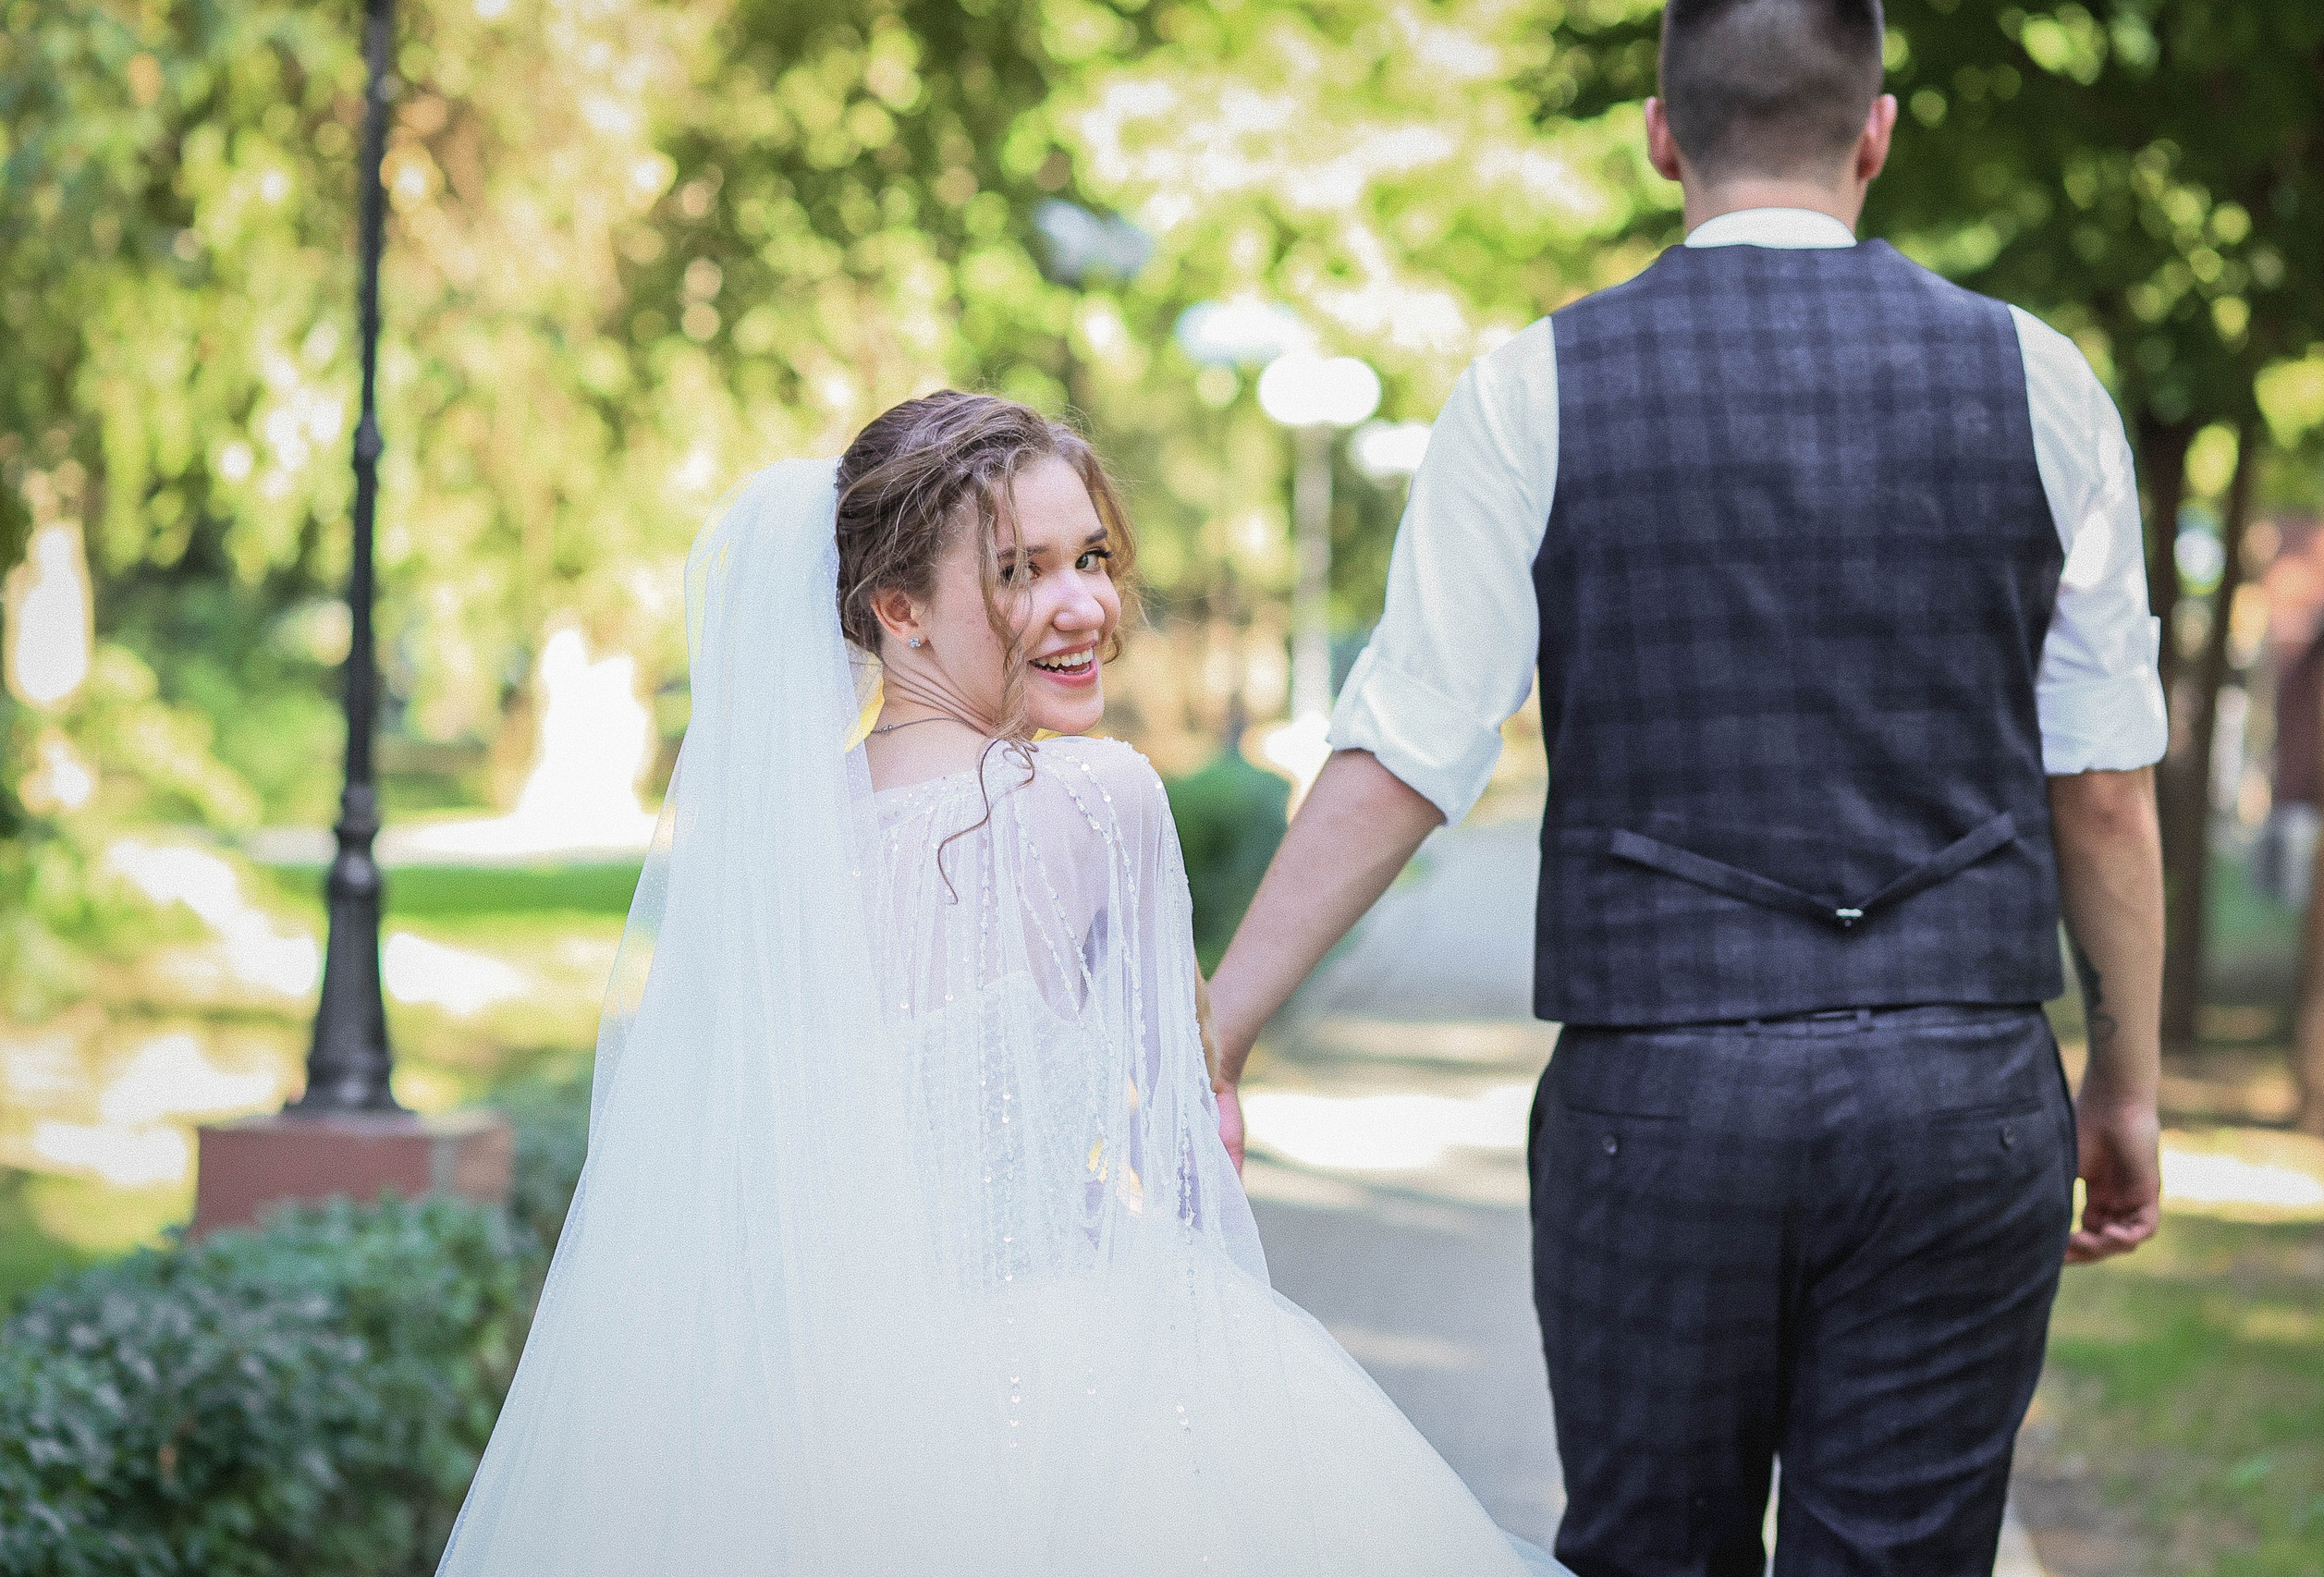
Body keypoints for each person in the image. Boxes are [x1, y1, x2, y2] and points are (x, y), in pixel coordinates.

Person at [1207, 2, 2169, 1573]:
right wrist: (2123, 1086)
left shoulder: (1531, 389)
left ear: (1663, 134)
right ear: (1876, 133)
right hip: (1959, 1090)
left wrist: (1220, 1028)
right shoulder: (2041, 381)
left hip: (1656, 1104)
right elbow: (2108, 792)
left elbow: (1408, 743)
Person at [436, 392, 1566, 1576]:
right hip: (1064, 1383)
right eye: (1021, 572)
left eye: (1091, 558)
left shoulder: (767, 847)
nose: (1084, 605)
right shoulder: (1100, 798)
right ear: (898, 609)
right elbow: (1187, 1152)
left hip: (788, 1405)